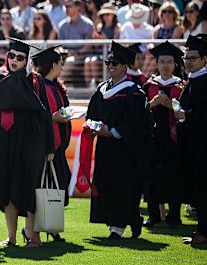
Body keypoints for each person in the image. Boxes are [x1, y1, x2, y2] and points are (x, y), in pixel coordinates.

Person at [0, 38, 55, 248]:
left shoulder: (36, 81)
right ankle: (11, 237)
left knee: (29, 187)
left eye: (20, 58)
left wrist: (49, 146)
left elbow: (46, 114)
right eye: (12, 56)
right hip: (5, 140)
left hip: (30, 142)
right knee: (7, 188)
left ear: (27, 60)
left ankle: (33, 236)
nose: (14, 60)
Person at [83, 41, 150, 240]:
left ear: (125, 66)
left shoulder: (134, 92)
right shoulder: (102, 90)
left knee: (122, 186)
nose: (111, 66)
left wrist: (113, 132)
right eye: (109, 62)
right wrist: (93, 126)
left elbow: (136, 124)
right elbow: (91, 114)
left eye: (116, 63)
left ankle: (119, 227)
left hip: (124, 150)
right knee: (106, 184)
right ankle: (118, 222)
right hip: (104, 148)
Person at [142, 42, 185, 228]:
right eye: (162, 61)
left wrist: (170, 105)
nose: (166, 65)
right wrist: (152, 103)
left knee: (174, 177)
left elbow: (186, 113)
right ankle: (153, 215)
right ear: (157, 64)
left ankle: (174, 216)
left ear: (175, 64)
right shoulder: (148, 86)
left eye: (169, 61)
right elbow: (138, 112)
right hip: (153, 140)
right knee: (152, 177)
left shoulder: (181, 87)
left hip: (174, 140)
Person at [32, 46, 71, 242]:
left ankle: (52, 225)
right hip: (45, 144)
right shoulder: (38, 86)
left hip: (59, 144)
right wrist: (53, 117)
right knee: (44, 187)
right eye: (60, 63)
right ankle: (37, 229)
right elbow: (38, 114)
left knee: (59, 184)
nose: (62, 67)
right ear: (53, 65)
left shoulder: (56, 86)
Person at [176, 35, 207, 245]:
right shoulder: (193, 80)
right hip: (193, 144)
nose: (188, 62)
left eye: (193, 58)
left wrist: (186, 114)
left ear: (205, 59)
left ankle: (204, 232)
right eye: (186, 58)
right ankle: (201, 229)